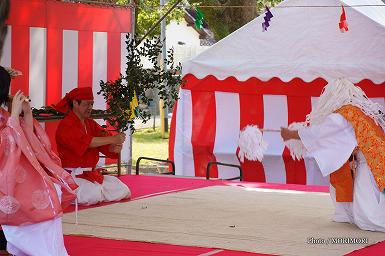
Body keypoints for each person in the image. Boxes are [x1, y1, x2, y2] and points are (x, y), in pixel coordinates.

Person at [280, 78, 385, 232]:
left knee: (367, 214)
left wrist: (292, 134)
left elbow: (319, 134)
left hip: (368, 163)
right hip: (374, 159)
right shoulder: (364, 111)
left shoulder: (343, 115)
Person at [0, 66, 78, 255]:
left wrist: (26, 116)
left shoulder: (5, 116)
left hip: (17, 180)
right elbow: (5, 146)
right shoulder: (7, 119)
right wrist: (14, 121)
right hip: (6, 184)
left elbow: (29, 145)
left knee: (52, 192)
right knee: (38, 202)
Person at [55, 87, 131, 205]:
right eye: (86, 104)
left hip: (91, 175)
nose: (90, 107)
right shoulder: (66, 125)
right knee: (91, 195)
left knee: (122, 189)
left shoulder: (90, 123)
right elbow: (87, 142)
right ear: (75, 103)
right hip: (73, 175)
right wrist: (112, 139)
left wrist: (114, 147)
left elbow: (104, 143)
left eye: (91, 104)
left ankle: (97, 192)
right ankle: (70, 192)